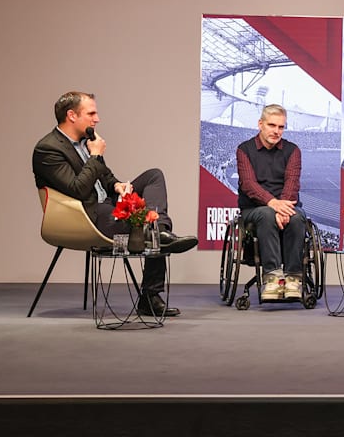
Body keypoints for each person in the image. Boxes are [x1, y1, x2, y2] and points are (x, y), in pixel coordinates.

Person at [32, 91, 198, 317]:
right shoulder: (48, 149)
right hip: (86, 214)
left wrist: (118, 185)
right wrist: (96, 156)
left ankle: (158, 230)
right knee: (151, 230)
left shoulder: (86, 142)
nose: (97, 119)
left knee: (153, 176)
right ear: (71, 115)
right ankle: (152, 282)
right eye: (91, 113)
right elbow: (78, 189)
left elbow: (106, 178)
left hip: (106, 206)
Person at [236, 104, 306, 301]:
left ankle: (293, 278)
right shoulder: (244, 150)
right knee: (266, 214)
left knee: (297, 217)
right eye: (272, 125)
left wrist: (282, 208)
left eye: (281, 127)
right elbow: (248, 184)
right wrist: (272, 203)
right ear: (260, 124)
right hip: (254, 208)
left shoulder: (293, 150)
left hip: (287, 206)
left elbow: (292, 183)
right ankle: (273, 279)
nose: (276, 131)